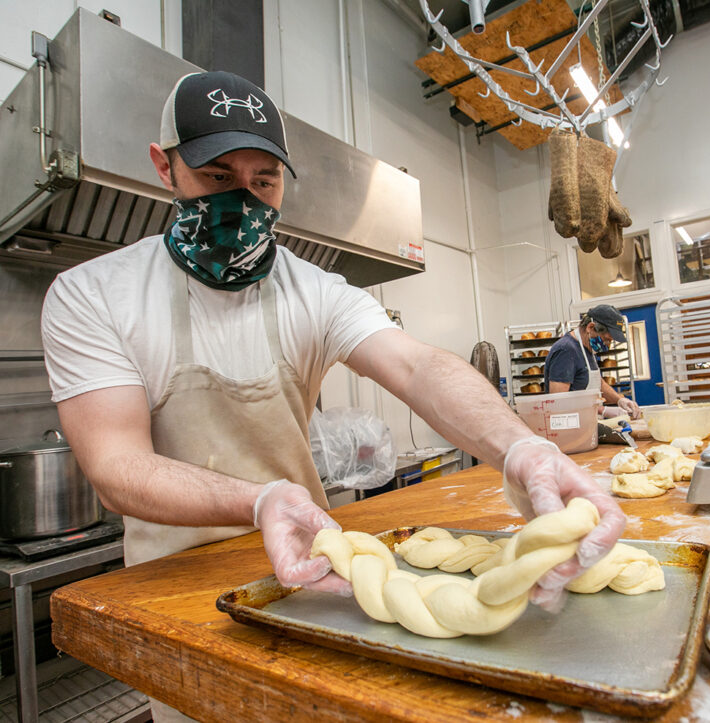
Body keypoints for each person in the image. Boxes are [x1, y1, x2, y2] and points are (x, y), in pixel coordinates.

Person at [41, 71, 626, 716]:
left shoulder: (313, 291)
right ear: (164, 166)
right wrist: (259, 499)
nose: (244, 198)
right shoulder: (93, 294)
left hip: (311, 570)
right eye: (216, 177)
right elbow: (117, 468)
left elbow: (415, 366)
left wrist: (520, 447)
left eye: (263, 181)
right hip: (175, 589)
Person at [543, 304, 642, 419]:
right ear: (590, 327)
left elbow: (598, 383)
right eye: (606, 340)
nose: (608, 346)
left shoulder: (588, 348)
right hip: (571, 428)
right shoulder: (566, 350)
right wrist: (602, 410)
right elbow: (558, 401)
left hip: (588, 423)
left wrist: (619, 399)